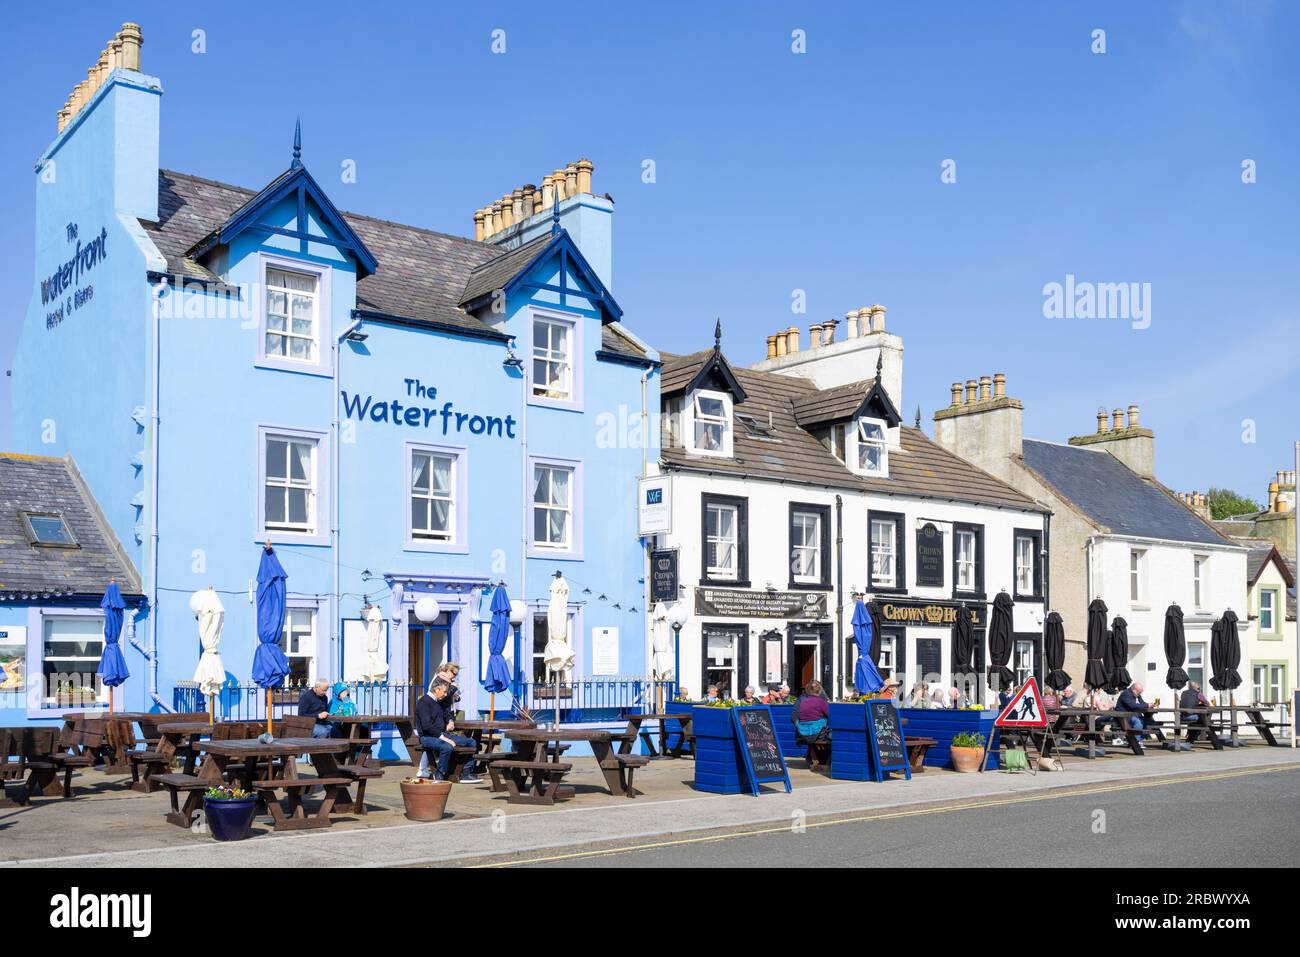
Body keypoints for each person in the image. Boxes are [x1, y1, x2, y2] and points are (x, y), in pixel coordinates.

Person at [414, 679, 480, 783]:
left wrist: (450, 721)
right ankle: (439, 774)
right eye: (444, 692)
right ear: (437, 689)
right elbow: (427, 727)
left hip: (442, 734)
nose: (446, 695)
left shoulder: (439, 702)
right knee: (447, 746)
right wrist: (444, 738)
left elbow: (447, 714)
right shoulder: (424, 702)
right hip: (427, 737)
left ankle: (465, 773)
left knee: (471, 742)